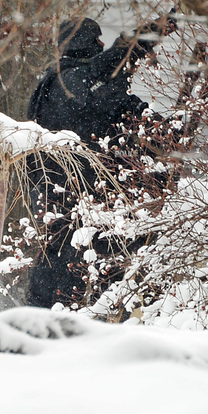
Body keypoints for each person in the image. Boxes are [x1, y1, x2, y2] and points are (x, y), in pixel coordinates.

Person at [25, 16, 172, 308]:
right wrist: (162, 125)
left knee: (53, 259)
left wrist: (136, 44)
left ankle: (41, 320)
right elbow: (106, 86)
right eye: (95, 40)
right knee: (80, 266)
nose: (101, 45)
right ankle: (63, 326)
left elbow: (102, 70)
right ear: (82, 44)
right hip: (82, 194)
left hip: (53, 192)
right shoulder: (72, 83)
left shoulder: (50, 83)